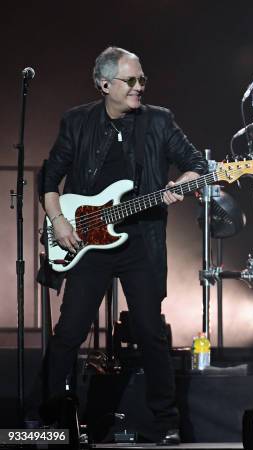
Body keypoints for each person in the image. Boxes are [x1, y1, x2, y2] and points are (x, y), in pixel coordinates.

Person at [38, 46, 207, 445]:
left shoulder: (159, 122)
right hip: (84, 240)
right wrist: (59, 222)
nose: (138, 88)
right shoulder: (77, 121)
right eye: (130, 81)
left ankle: (166, 422)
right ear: (105, 84)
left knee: (151, 333)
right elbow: (49, 180)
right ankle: (47, 417)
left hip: (141, 244)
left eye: (142, 80)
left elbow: (196, 165)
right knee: (69, 332)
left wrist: (178, 186)